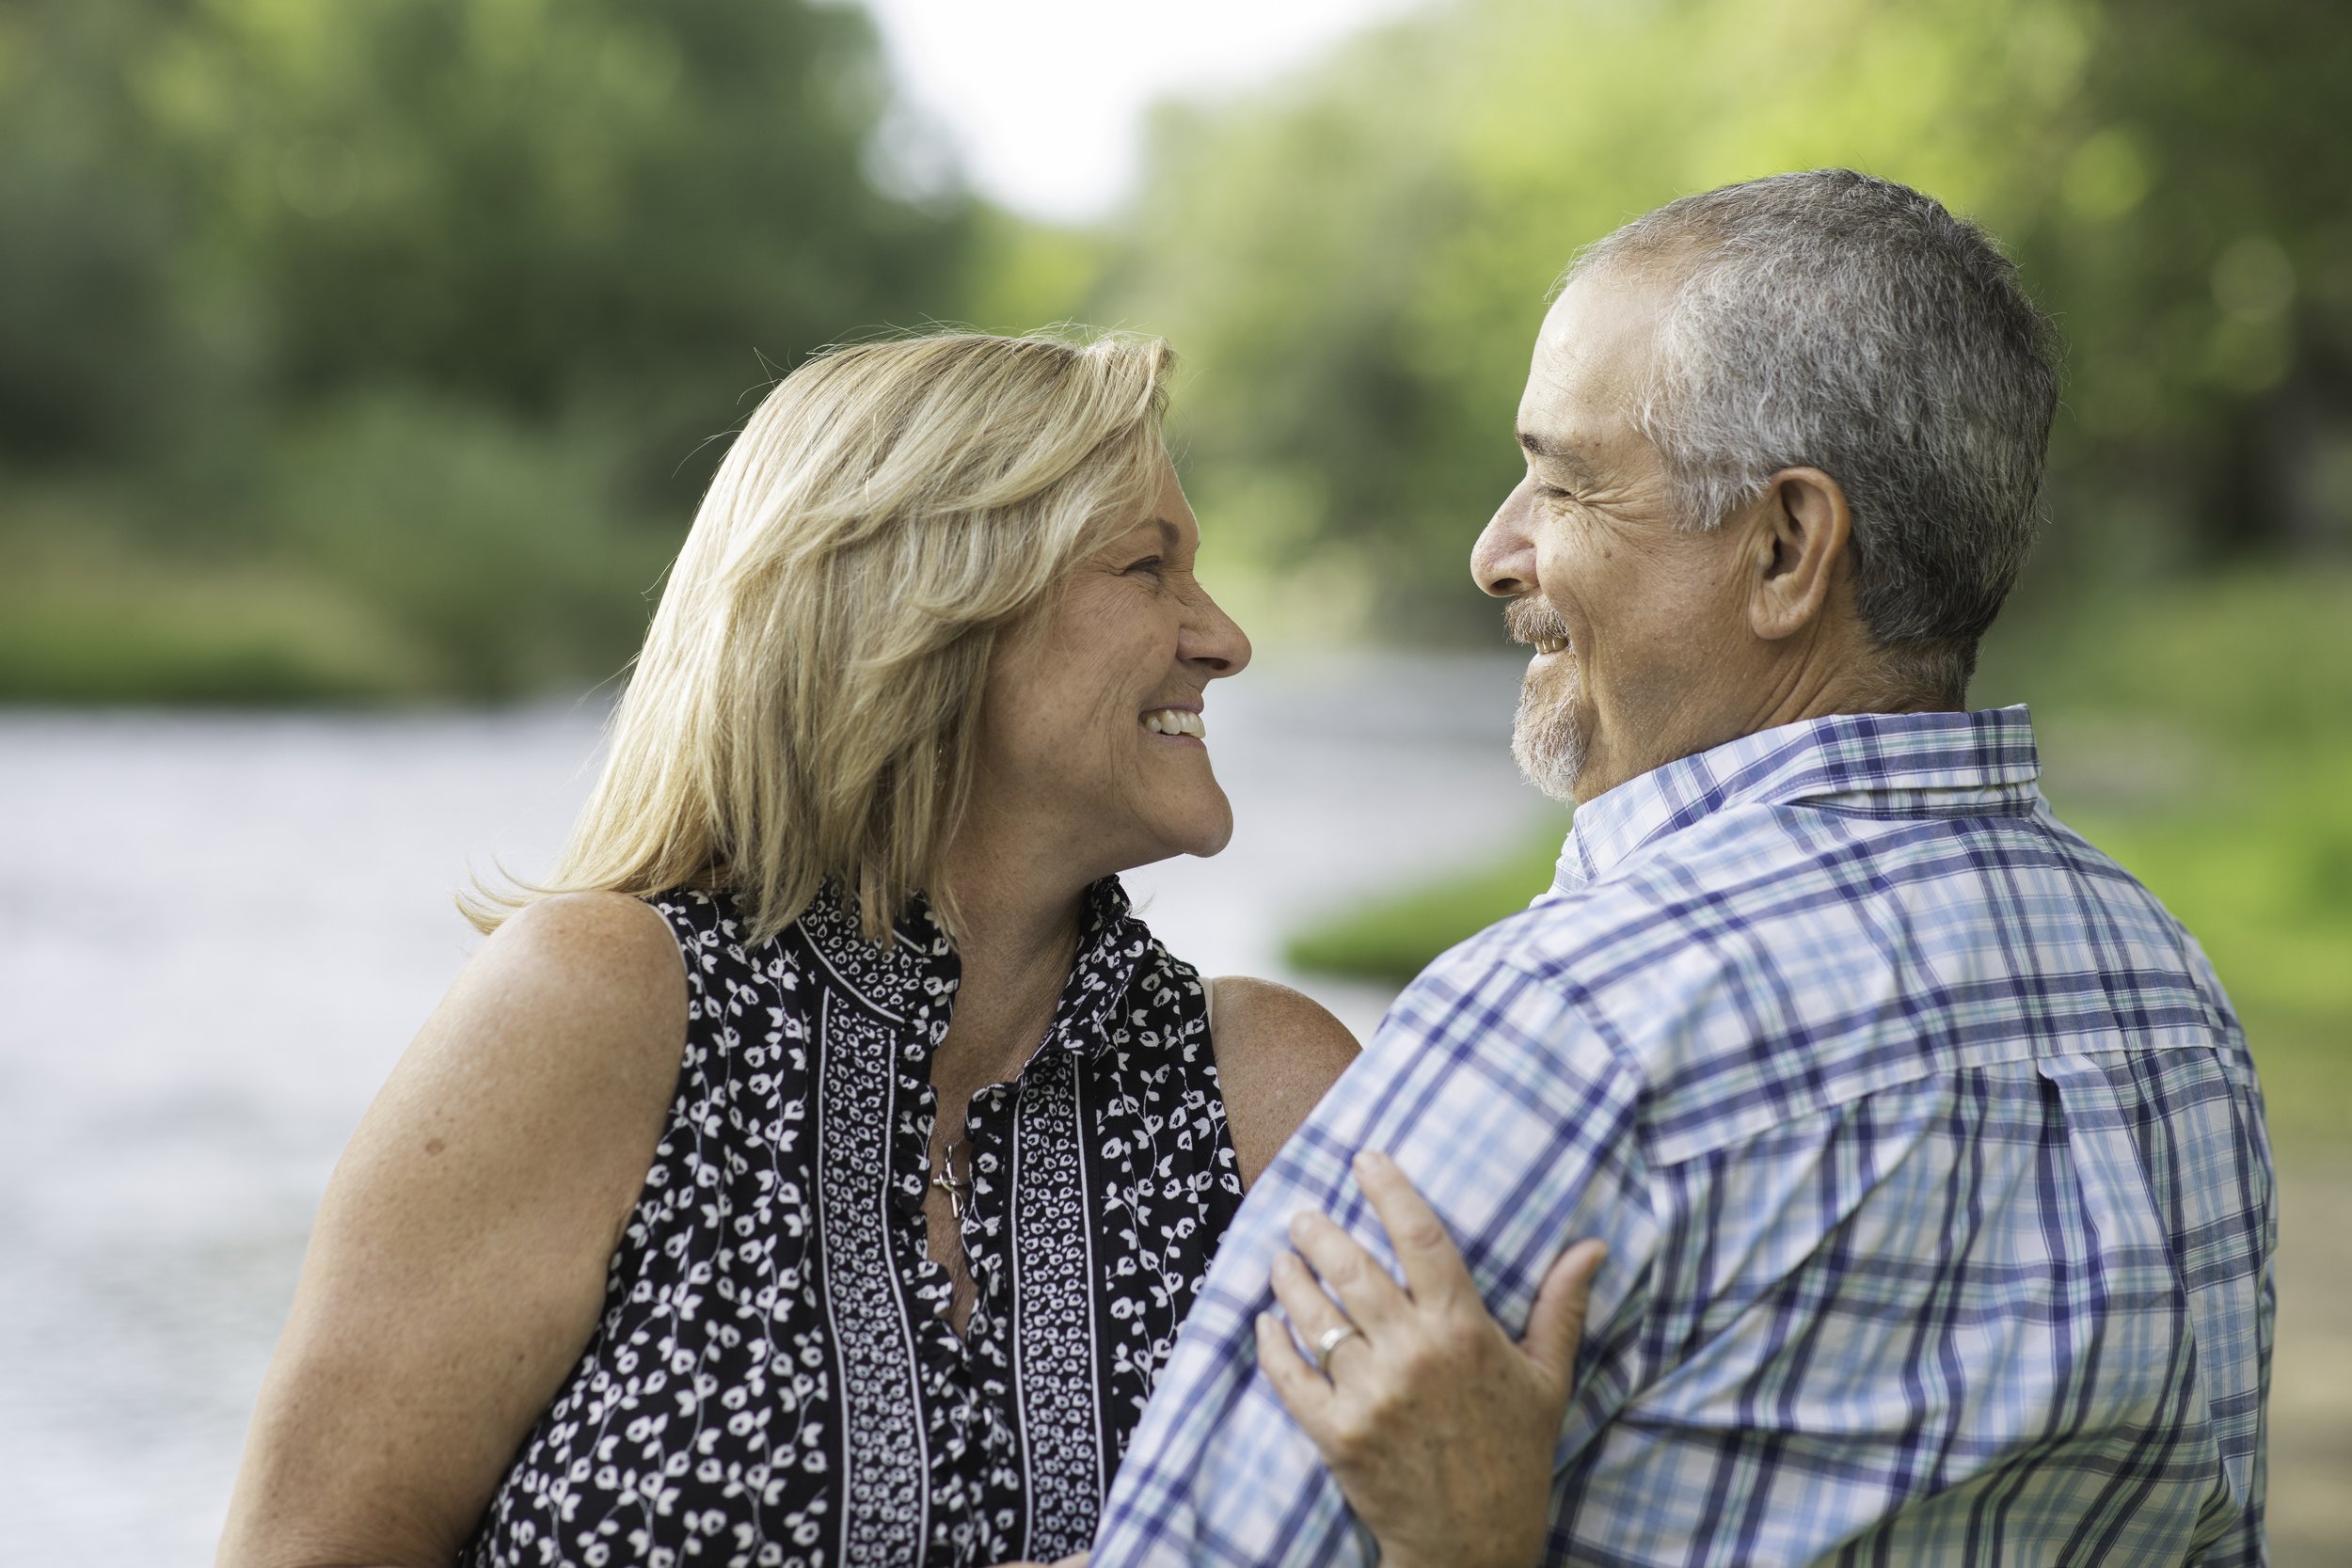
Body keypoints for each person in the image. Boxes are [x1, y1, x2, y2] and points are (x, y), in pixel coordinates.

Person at [215, 332, 1602, 1568]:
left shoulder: (1271, 1087)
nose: (1224, 640)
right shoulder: (602, 1004)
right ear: (930, 615)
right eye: (1147, 567)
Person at [1092, 169, 2275, 1566]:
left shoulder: (1562, 1026)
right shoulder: (2166, 993)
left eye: (1565, 483)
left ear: (1784, 550)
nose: (1495, 552)